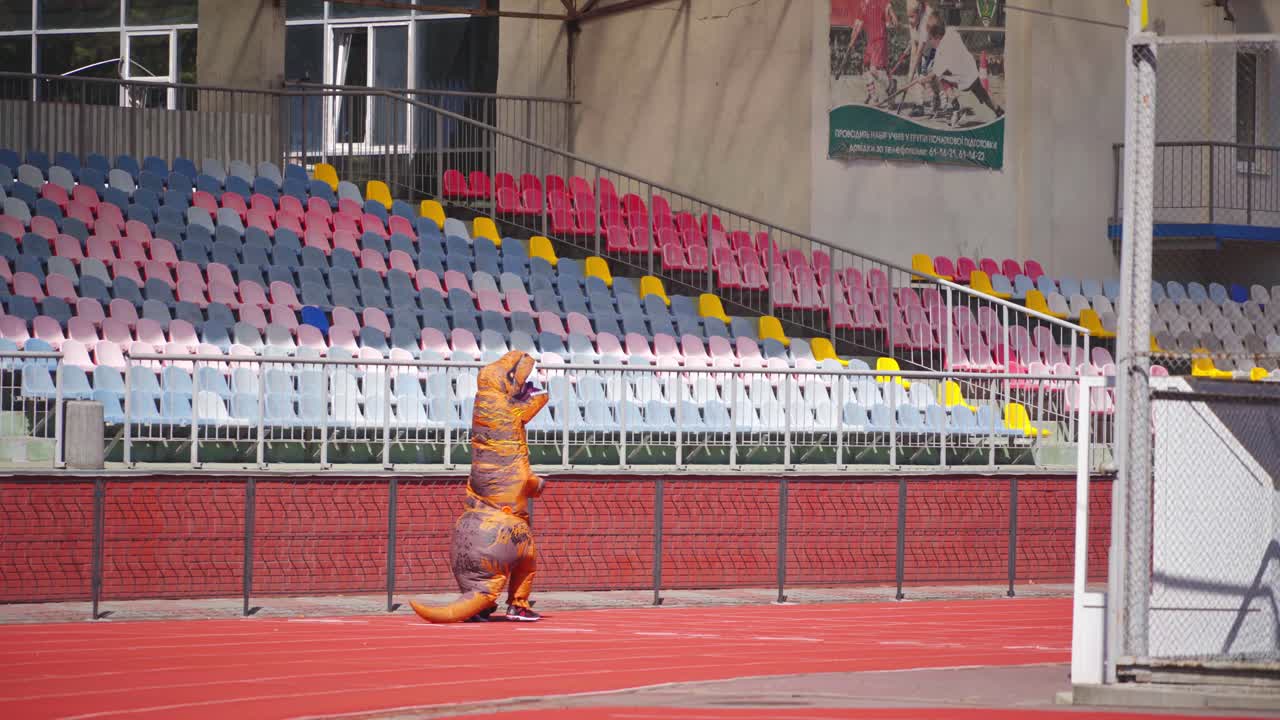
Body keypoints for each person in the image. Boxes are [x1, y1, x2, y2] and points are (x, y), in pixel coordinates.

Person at [923, 11, 1004, 126]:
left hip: (963, 81)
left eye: (930, 38)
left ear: (936, 37)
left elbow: (933, 75)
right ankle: (999, 111)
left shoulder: (941, 52)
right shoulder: (951, 31)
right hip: (972, 71)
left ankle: (955, 106)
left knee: (941, 77)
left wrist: (923, 79)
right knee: (983, 94)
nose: (929, 41)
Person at [850, 0, 897, 104]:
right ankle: (874, 97)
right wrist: (852, 40)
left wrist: (892, 16)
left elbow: (888, 7)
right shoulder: (862, 4)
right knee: (865, 68)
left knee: (873, 70)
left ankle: (890, 86)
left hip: (880, 39)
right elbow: (858, 24)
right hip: (871, 41)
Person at [905, 0, 941, 115]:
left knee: (928, 77)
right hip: (924, 50)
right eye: (908, 17)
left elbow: (920, 48)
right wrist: (912, 71)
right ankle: (919, 105)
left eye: (912, 17)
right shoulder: (914, 16)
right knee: (919, 74)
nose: (909, 20)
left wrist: (911, 73)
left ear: (919, 12)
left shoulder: (926, 19)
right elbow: (915, 44)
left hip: (933, 50)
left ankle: (937, 97)